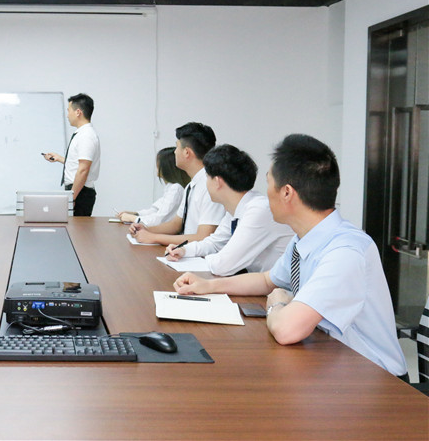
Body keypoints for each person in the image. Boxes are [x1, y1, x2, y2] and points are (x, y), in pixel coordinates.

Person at [173, 134, 408, 378]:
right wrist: (208, 286)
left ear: (286, 193)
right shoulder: (304, 239)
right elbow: (267, 280)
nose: (265, 193)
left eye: (268, 182)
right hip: (332, 363)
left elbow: (286, 329)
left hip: (377, 380)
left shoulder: (345, 252)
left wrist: (277, 303)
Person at [165, 144, 293, 275]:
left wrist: (206, 258)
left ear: (217, 181)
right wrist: (184, 250)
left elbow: (222, 265)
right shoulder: (235, 209)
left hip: (279, 291)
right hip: (258, 284)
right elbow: (214, 243)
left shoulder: (259, 210)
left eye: (207, 178)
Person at [129, 122, 224, 245]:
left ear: (187, 152)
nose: (174, 152)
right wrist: (145, 229)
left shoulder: (210, 185)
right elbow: (175, 225)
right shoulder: (192, 185)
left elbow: (203, 237)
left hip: (200, 258)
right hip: (186, 252)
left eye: (177, 147)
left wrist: (153, 237)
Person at [42, 93, 101, 216]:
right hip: (78, 191)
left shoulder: (86, 136)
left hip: (80, 193)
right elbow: (79, 163)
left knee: (77, 233)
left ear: (78, 112)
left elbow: (83, 170)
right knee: (73, 232)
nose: (67, 115)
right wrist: (59, 158)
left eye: (69, 111)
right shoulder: (82, 134)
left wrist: (72, 197)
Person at [116, 147, 189, 226]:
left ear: (166, 167)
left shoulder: (176, 189)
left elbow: (159, 220)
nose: (156, 167)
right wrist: (135, 214)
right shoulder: (171, 187)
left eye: (158, 164)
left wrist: (132, 218)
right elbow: (155, 210)